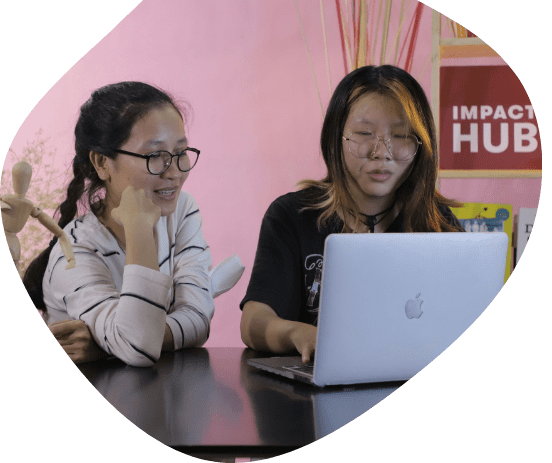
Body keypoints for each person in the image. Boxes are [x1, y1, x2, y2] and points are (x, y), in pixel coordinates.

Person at [240, 65, 463, 363]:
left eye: (400, 135)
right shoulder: (292, 216)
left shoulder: (438, 223)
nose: (381, 151)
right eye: (364, 133)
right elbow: (254, 321)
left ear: (421, 145)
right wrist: (297, 334)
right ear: (335, 136)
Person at [23, 82, 214, 366]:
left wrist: (108, 345)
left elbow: (198, 318)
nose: (174, 172)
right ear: (102, 163)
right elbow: (139, 346)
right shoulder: (74, 251)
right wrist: (139, 228)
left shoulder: (181, 211)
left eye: (180, 152)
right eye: (154, 156)